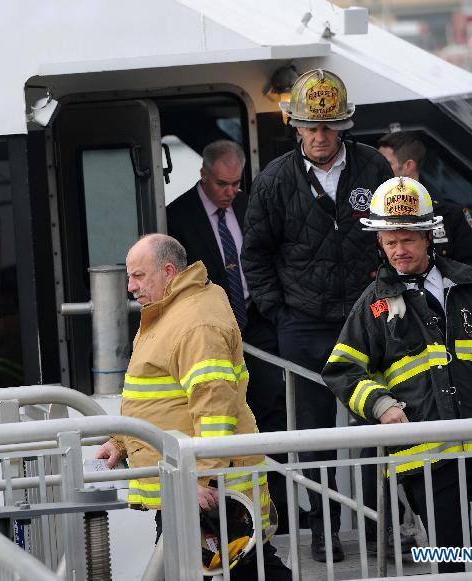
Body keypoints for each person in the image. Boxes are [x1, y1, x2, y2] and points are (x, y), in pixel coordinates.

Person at [321, 177, 472, 573]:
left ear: (429, 236)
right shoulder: (374, 304)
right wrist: (381, 405)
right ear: (379, 243)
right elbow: (342, 369)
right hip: (427, 453)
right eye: (390, 241)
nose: (399, 251)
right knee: (447, 556)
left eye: (407, 240)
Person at [241, 68, 393, 562]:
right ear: (296, 127)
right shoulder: (273, 182)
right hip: (303, 323)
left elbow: (398, 236)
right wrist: (279, 313)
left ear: (344, 126)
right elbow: (255, 257)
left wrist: (389, 297)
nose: (321, 136)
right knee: (312, 436)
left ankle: (376, 527)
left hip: (368, 316)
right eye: (312, 126)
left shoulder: (374, 169)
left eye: (329, 126)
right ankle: (323, 531)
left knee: (376, 423)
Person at [95, 234, 291, 580]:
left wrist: (201, 480)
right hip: (184, 481)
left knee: (243, 569)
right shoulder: (170, 311)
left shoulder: (194, 321)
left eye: (138, 276)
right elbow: (157, 401)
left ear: (168, 271)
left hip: (199, 488)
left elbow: (214, 408)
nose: (130, 287)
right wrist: (121, 441)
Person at [166, 139, 292, 532]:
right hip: (212, 333)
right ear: (203, 175)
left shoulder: (247, 204)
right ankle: (234, 515)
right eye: (223, 184)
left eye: (237, 184)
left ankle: (283, 509)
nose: (231, 192)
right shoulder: (177, 216)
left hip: (255, 324)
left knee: (272, 411)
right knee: (225, 418)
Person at [377, 131, 472, 279]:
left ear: (408, 166)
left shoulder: (451, 214)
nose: (378, 169)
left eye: (385, 163)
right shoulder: (372, 215)